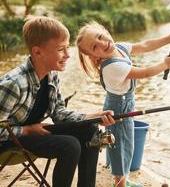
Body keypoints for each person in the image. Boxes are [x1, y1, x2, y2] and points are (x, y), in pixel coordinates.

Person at [0, 16, 115, 187]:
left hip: (32, 133)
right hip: (7, 141)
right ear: (38, 52)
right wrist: (27, 130)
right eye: (61, 49)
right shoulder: (13, 85)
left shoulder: (51, 74)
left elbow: (59, 113)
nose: (68, 55)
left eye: (67, 48)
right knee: (70, 145)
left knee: (90, 129)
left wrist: (93, 116)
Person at [75, 21, 170, 187]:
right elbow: (143, 73)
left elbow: (144, 45)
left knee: (128, 145)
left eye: (101, 37)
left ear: (105, 31)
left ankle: (123, 179)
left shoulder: (119, 48)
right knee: (120, 147)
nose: (103, 43)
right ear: (95, 57)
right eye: (95, 47)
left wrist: (168, 38)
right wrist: (164, 64)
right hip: (116, 110)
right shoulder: (112, 67)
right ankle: (120, 183)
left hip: (126, 105)